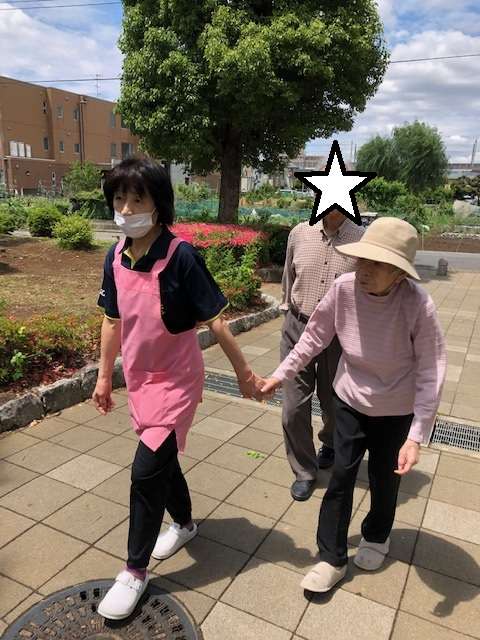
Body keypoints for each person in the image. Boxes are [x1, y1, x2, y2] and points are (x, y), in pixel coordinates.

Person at [92, 157, 262, 619]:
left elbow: (217, 322)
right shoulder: (116, 256)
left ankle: (134, 570)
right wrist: (105, 377)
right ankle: (184, 524)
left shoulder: (181, 256)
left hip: (177, 381)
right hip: (140, 379)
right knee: (162, 463)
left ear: (159, 203)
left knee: (145, 472)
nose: (126, 209)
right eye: (119, 199)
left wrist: (245, 375)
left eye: (138, 199)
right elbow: (112, 321)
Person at [261, 217, 446, 592]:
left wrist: (416, 437)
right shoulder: (344, 288)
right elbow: (313, 337)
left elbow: (432, 370)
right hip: (349, 398)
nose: (364, 270)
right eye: (362, 260)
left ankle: (376, 536)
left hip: (396, 408)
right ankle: (331, 557)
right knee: (341, 475)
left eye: (377, 264)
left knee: (384, 478)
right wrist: (280, 375)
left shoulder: (417, 304)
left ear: (399, 273)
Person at [280, 209, 364, 501]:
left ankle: (329, 442)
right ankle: (304, 471)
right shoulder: (299, 232)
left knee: (333, 402)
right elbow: (289, 276)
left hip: (338, 334)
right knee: (293, 408)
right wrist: (287, 310)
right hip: (297, 327)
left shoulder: (361, 239)